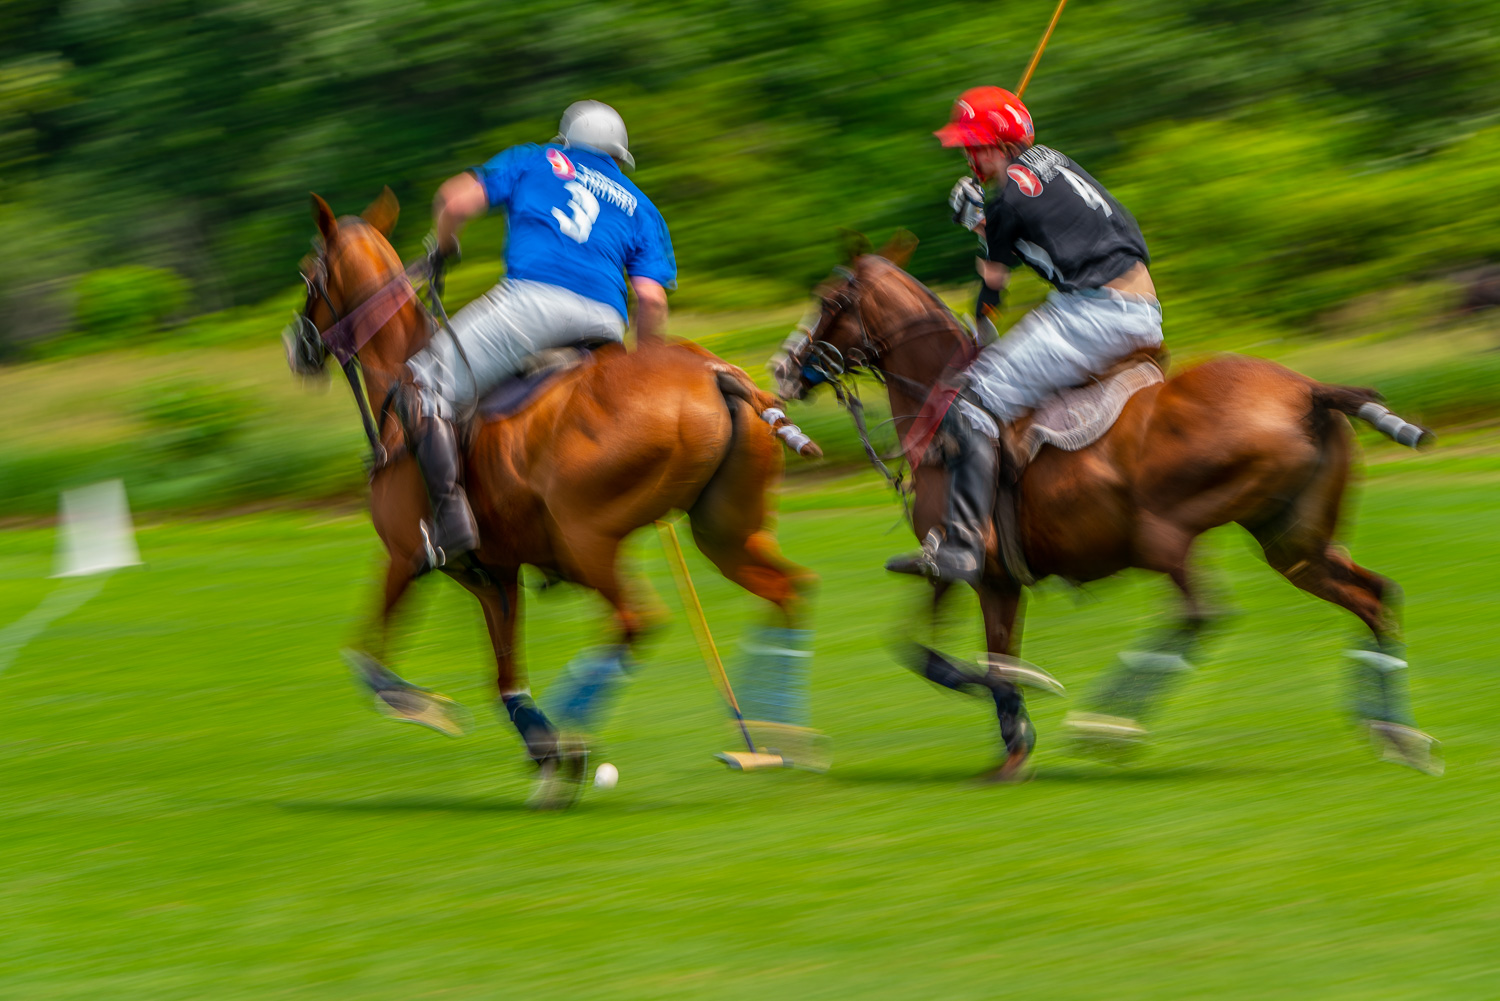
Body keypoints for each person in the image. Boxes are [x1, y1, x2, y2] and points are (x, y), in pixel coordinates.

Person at [887, 85, 1163, 586]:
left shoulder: (1011, 194)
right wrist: (988, 220)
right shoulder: (1053, 161)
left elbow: (994, 282)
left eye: (977, 146)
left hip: (1096, 312)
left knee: (972, 401)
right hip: (1136, 308)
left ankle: (964, 548)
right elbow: (1036, 231)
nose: (971, 157)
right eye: (967, 149)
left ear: (1002, 141)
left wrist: (978, 224)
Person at [404, 100, 678, 570]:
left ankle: (451, 520)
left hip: (532, 305)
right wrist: (643, 372)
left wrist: (444, 247)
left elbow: (453, 200)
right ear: (619, 155)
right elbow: (652, 301)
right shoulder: (642, 207)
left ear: (566, 139)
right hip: (605, 325)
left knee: (423, 383)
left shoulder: (534, 159)